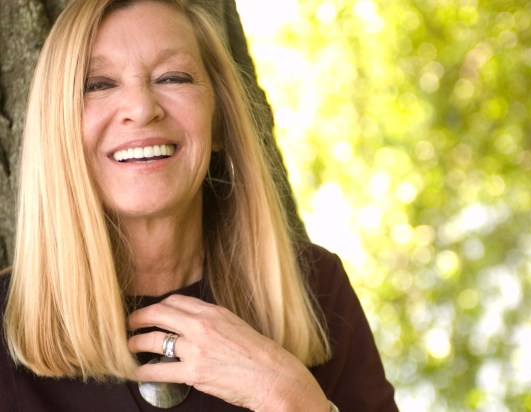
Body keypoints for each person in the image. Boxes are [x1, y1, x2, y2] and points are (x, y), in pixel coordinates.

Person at [0, 0, 398, 410]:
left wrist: (291, 398)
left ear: (220, 121)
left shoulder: (316, 288)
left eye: (172, 77)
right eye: (98, 84)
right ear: (55, 128)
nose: (141, 109)